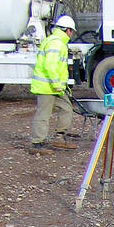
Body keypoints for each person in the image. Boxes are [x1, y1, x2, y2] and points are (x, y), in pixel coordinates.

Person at [30, 15, 79, 153]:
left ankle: (59, 137)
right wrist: (57, 84)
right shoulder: (56, 43)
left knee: (66, 108)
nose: (72, 34)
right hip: (47, 87)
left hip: (56, 87)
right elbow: (50, 65)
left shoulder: (57, 41)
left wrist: (63, 86)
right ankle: (37, 144)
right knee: (43, 115)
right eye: (72, 31)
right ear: (68, 30)